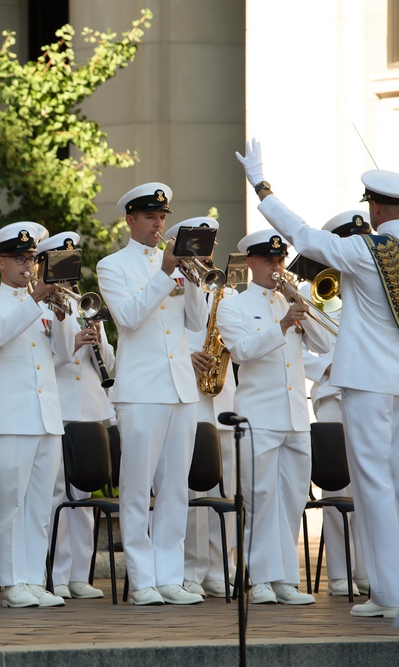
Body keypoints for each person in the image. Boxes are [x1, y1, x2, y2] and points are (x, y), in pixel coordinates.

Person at [237, 140, 399, 621]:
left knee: (373, 485)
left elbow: (304, 236)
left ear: (374, 207)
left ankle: (388, 593)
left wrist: (262, 184)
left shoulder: (367, 249)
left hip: (370, 383)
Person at [95, 183, 208, 606]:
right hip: (141, 390)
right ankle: (142, 579)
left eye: (162, 217)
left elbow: (195, 322)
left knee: (176, 487)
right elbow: (128, 316)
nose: (159, 224)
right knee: (138, 487)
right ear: (130, 220)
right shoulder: (113, 265)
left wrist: (196, 277)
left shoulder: (178, 267)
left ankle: (170, 576)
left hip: (180, 387)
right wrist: (165, 272)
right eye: (150, 217)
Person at [215, 228, 333, 605]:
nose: (277, 266)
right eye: (269, 260)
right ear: (251, 263)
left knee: (293, 498)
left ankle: (284, 579)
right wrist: (281, 325)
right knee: (261, 497)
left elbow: (325, 343)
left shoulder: (292, 299)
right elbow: (242, 352)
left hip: (296, 415)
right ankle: (261, 578)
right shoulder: (233, 304)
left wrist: (301, 307)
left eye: (280, 260)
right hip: (259, 416)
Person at [0, 221, 69, 609]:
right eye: (19, 258)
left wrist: (61, 315)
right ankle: (12, 583)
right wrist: (36, 300)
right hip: (12, 418)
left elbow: (62, 354)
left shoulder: (42, 302)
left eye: (30, 258)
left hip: (47, 416)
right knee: (10, 503)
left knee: (40, 504)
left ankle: (34, 579)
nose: (27, 265)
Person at [299, 211, 369, 596]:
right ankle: (341, 575)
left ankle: (367, 571)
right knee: (338, 489)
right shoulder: (315, 295)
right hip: (332, 396)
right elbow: (297, 352)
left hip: (369, 396)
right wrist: (330, 367)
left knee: (369, 488)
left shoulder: (371, 290)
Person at [39, 230, 110, 601]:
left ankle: (80, 573)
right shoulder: (39, 308)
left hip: (89, 409)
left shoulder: (86, 303)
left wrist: (97, 338)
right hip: (59, 408)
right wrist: (72, 343)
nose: (67, 281)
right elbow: (40, 363)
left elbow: (110, 365)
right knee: (56, 495)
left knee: (83, 497)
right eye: (61, 271)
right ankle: (57, 573)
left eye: (71, 271)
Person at [175, 217, 239, 599]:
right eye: (197, 247)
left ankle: (219, 566)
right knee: (191, 492)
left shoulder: (223, 289)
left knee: (224, 488)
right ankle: (190, 568)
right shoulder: (175, 286)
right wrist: (188, 356)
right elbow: (162, 340)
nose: (206, 255)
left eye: (208, 247)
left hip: (221, 397)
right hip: (189, 397)